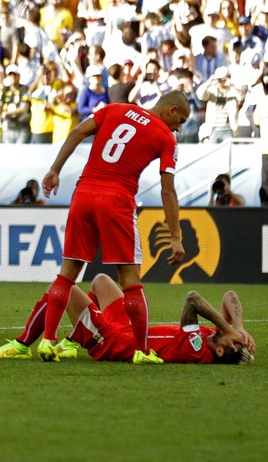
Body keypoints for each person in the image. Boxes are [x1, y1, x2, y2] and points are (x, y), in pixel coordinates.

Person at [36, 91, 191, 363]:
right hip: (117, 198)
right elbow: (168, 191)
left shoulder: (115, 109)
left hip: (84, 192)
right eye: (182, 118)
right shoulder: (167, 137)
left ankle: (47, 342)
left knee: (67, 274)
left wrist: (55, 169)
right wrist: (175, 236)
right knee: (131, 280)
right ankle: (142, 352)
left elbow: (76, 132)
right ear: (172, 110)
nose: (180, 126)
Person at [0, 274, 254, 364]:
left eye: (236, 343)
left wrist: (229, 327)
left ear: (222, 349)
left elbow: (193, 298)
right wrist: (238, 328)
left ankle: (21, 345)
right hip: (128, 328)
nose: (235, 338)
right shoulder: (207, 335)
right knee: (101, 281)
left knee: (64, 286)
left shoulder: (197, 350)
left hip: (114, 340)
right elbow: (230, 296)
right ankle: (72, 341)